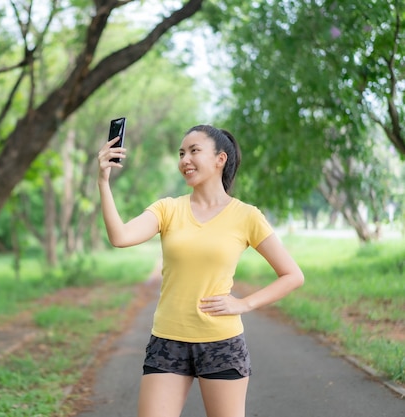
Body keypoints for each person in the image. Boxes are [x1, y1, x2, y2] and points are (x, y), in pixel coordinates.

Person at [97, 124, 304, 417]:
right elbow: (120, 237)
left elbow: (292, 275)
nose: (185, 160)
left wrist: (244, 303)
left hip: (221, 343)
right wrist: (103, 181)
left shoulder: (246, 216)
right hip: (168, 340)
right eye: (181, 153)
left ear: (221, 159)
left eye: (194, 151)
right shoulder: (167, 209)